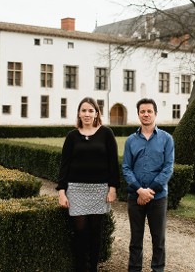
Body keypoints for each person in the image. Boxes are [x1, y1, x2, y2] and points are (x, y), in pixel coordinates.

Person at [56, 97, 120, 272]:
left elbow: (113, 163)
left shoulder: (106, 134)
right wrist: (62, 191)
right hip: (76, 190)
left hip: (99, 190)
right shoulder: (72, 136)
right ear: (78, 113)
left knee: (95, 232)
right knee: (80, 232)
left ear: (96, 113)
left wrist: (113, 188)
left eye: (90, 110)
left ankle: (92, 268)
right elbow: (64, 165)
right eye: (83, 110)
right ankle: (80, 267)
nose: (87, 114)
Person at [122, 98, 174, 272]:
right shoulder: (130, 140)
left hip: (158, 197)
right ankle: (134, 269)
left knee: (158, 238)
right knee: (135, 239)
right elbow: (126, 168)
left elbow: (168, 168)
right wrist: (139, 190)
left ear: (155, 114)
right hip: (134, 196)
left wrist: (149, 191)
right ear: (138, 114)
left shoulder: (167, 139)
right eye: (142, 111)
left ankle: (157, 269)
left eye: (149, 111)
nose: (146, 114)